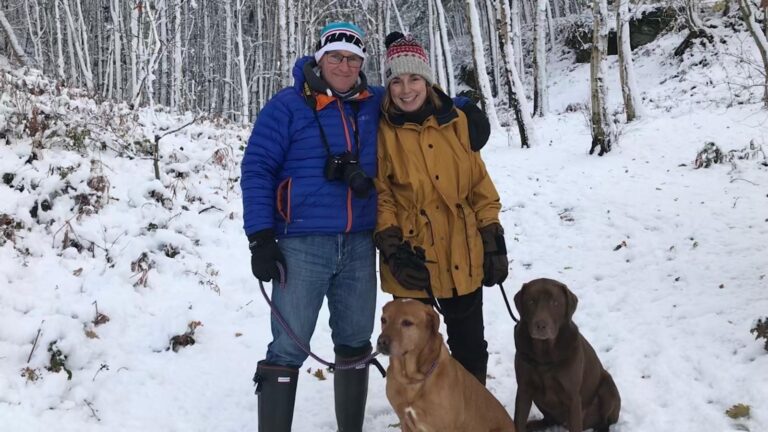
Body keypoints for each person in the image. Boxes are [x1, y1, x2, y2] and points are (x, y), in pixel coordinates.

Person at [241, 22, 382, 432]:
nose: (344, 65)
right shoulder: (287, 106)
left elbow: (419, 96)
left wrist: (462, 106)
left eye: (353, 59)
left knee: (356, 341)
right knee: (288, 345)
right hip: (302, 243)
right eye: (336, 56)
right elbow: (257, 168)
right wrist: (260, 237)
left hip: (360, 242)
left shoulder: (374, 102)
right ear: (320, 59)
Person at [373, 33, 509, 386]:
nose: (406, 90)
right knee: (412, 352)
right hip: (412, 256)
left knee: (470, 348)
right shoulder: (380, 131)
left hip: (463, 251)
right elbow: (382, 195)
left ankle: (469, 408)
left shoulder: (458, 122)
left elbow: (479, 185)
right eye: (396, 81)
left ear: (428, 81)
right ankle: (419, 412)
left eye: (414, 78)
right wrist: (391, 246)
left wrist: (492, 237)